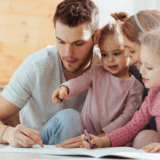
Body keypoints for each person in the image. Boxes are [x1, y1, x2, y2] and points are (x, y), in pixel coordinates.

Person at [0, 0, 101, 147]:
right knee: (70, 119)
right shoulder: (37, 66)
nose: (68, 53)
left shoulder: (108, 66)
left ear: (96, 37)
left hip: (89, 149)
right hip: (41, 148)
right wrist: (6, 133)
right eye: (61, 41)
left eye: (78, 43)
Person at [52, 12, 144, 137]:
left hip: (110, 136)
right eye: (104, 55)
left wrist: (105, 134)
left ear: (129, 51)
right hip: (83, 132)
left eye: (116, 53)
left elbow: (128, 115)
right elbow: (80, 81)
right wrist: (66, 88)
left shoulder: (135, 86)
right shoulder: (97, 71)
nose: (110, 60)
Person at [81, 27, 160, 152]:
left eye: (149, 67)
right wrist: (103, 141)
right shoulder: (153, 95)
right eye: (141, 64)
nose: (141, 71)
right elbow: (133, 127)